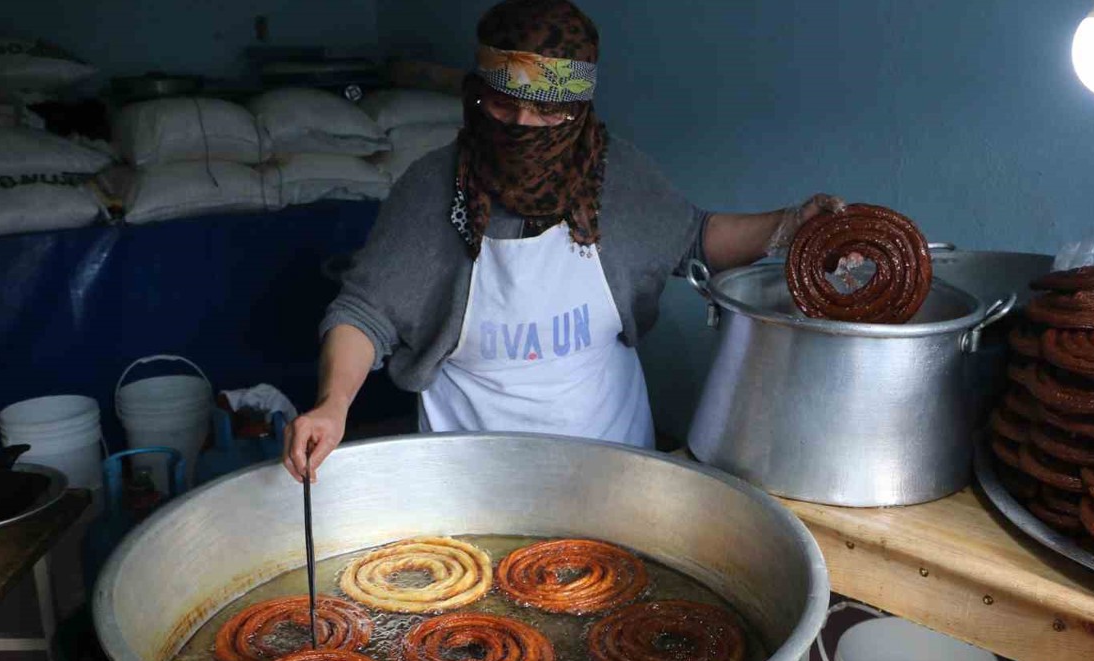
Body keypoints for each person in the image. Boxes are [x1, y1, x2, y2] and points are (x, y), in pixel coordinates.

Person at [283, 0, 843, 481]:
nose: (522, 125)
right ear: (476, 95)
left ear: (576, 111)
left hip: (612, 459)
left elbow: (694, 239)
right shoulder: (433, 189)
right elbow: (364, 313)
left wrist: (790, 224)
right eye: (502, 106)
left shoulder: (617, 178)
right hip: (469, 469)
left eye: (546, 112)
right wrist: (334, 404)